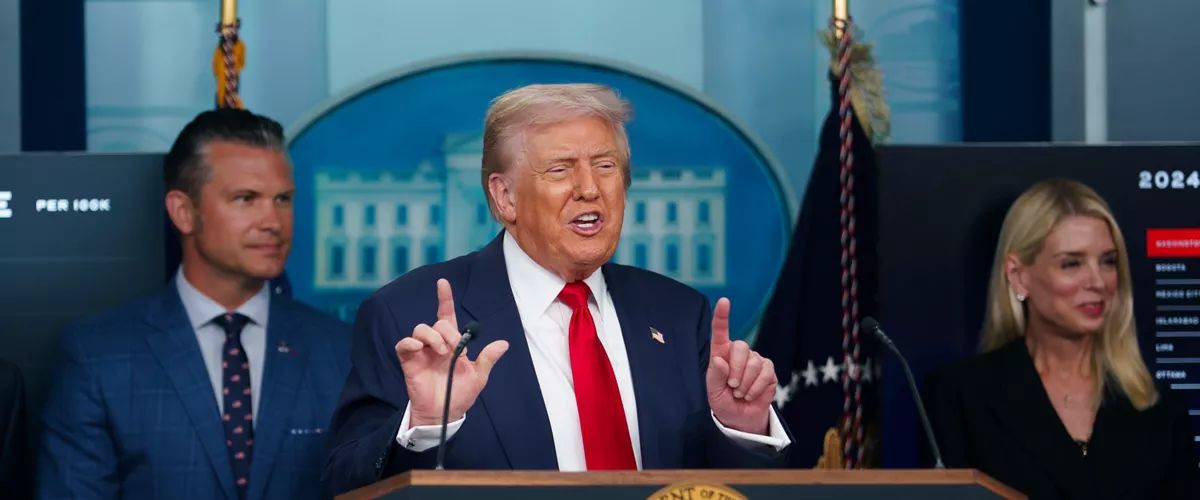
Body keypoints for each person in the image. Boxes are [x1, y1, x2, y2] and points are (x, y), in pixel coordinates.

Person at [321, 83, 794, 495]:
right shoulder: (408, 313)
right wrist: (425, 425)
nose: (590, 188)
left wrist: (740, 428)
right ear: (504, 196)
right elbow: (347, 483)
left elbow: (717, 489)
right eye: (561, 169)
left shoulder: (677, 312)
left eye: (605, 166)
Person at [37, 109, 353, 500]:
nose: (273, 220)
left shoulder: (340, 351)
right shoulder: (98, 357)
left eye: (283, 199)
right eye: (245, 199)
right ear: (183, 212)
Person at [920, 179, 1200, 499]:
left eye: (1108, 261)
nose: (1097, 281)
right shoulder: (960, 397)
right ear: (1018, 275)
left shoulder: (1159, 406)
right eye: (1072, 263)